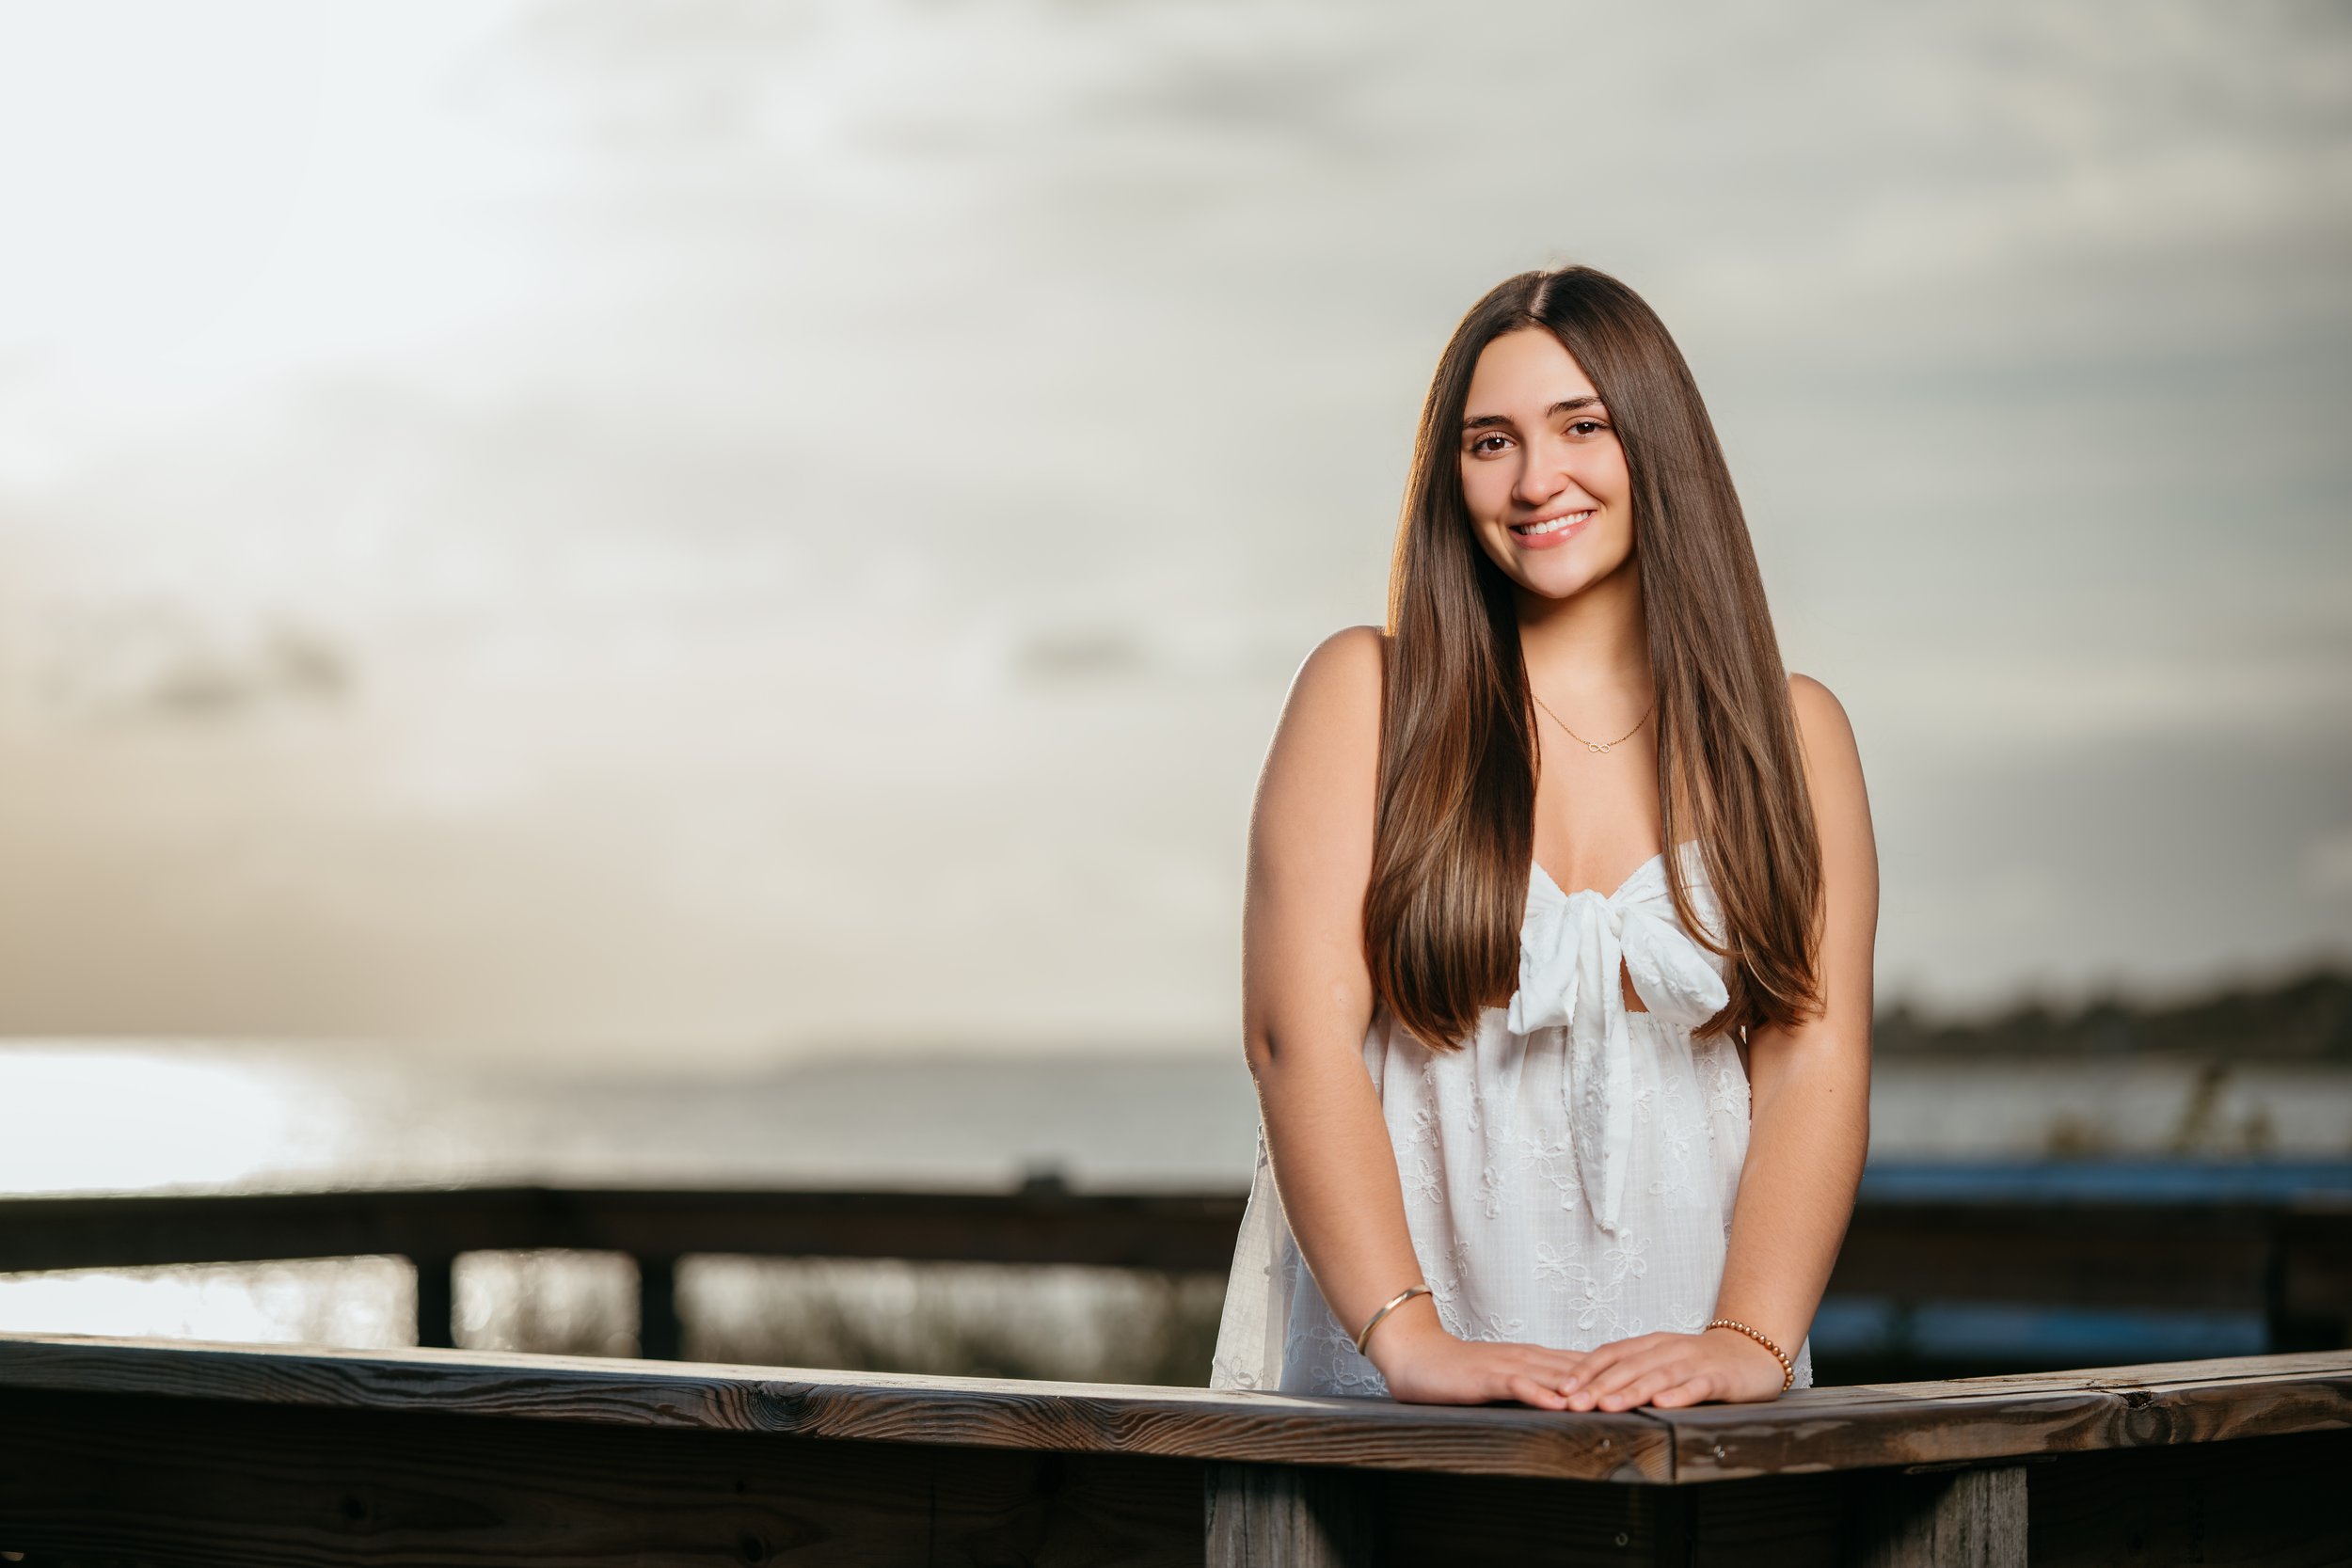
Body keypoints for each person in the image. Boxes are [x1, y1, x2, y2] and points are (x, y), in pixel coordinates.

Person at [1208, 265, 1876, 1411]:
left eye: (1581, 426)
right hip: (1413, 1384)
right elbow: (1293, 1040)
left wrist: (1750, 1340)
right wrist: (1410, 1340)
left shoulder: (1793, 731)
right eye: (1488, 442)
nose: (1534, 479)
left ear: (1658, 446)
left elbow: (1815, 1055)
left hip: (1698, 1385)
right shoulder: (1367, 695)